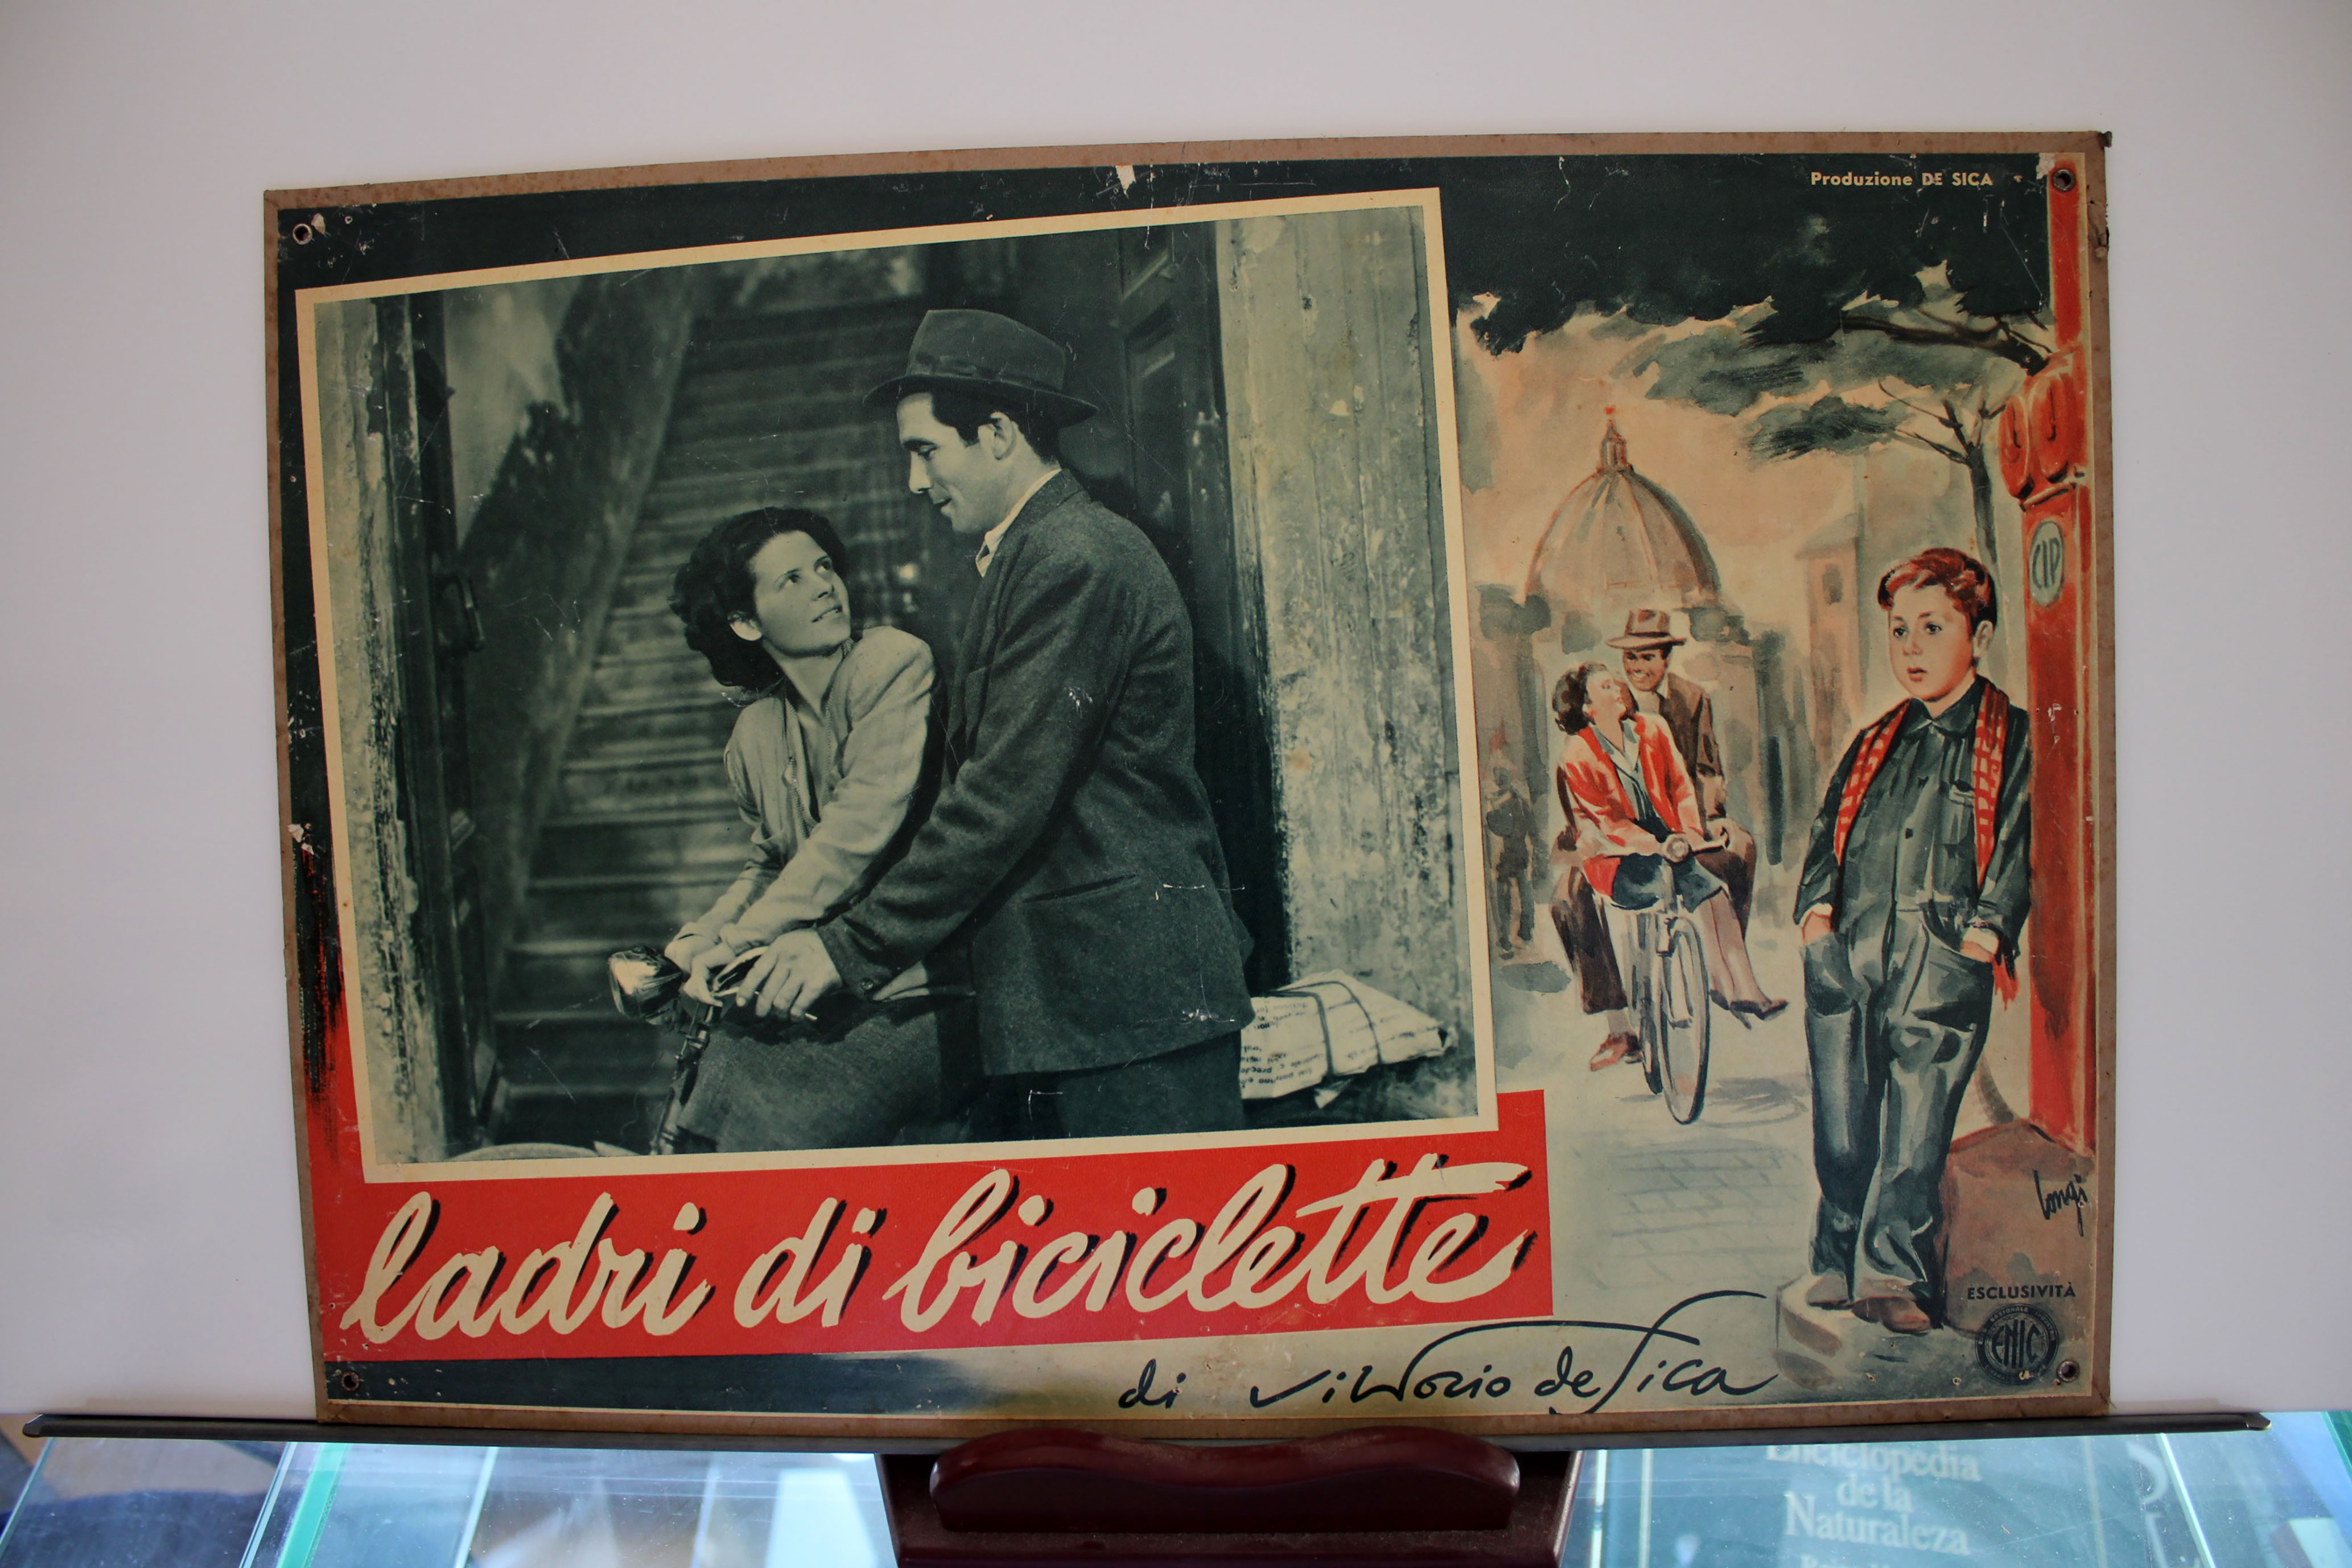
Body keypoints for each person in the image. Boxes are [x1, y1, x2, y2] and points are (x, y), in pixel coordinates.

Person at [734, 310, 1254, 1140]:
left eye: (925, 450)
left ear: (1001, 434)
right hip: (1076, 1002)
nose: (913, 481)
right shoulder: (1028, 557)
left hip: (1128, 1006)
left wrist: (847, 948)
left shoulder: (1076, 559)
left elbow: (1001, 796)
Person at [658, 507, 974, 1153]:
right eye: (792, 580)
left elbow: (859, 826)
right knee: (708, 1087)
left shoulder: (890, 663)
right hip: (834, 987)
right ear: (746, 623)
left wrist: (742, 938)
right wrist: (703, 936)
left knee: (766, 1119)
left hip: (930, 986)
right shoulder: (754, 732)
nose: (824, 586)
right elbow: (771, 863)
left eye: (824, 567)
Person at [1793, 547, 2030, 1335]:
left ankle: (1891, 1273)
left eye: (1933, 628)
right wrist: (1816, 919)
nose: (1912, 648)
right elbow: (1827, 836)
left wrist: (1984, 936)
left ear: (1979, 636)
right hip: (1850, 957)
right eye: (1899, 631)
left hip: (1940, 963)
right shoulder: (1875, 741)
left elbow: (2019, 843)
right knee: (1841, 1125)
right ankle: (1834, 1255)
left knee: (1916, 1132)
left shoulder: (2009, 739)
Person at [1550, 610, 1761, 1070]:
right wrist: (1592, 834)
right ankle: (1618, 1025)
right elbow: (1588, 799)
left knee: (1739, 850)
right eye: (1629, 659)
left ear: (1666, 659)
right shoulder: (1594, 721)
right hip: (1611, 834)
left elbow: (1702, 771)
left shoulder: (1689, 701)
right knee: (1569, 896)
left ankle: (1725, 970)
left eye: (1647, 657)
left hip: (1679, 821)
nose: (1636, 669)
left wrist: (1708, 821)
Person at [1484, 756, 1538, 959]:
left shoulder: (1506, 804)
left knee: (1505, 893)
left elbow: (1501, 828)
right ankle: (1525, 931)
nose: (1498, 780)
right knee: (1524, 890)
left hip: (1510, 855)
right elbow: (1532, 828)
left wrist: (1490, 812)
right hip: (1521, 853)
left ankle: (1507, 935)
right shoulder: (1521, 802)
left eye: (1500, 777)